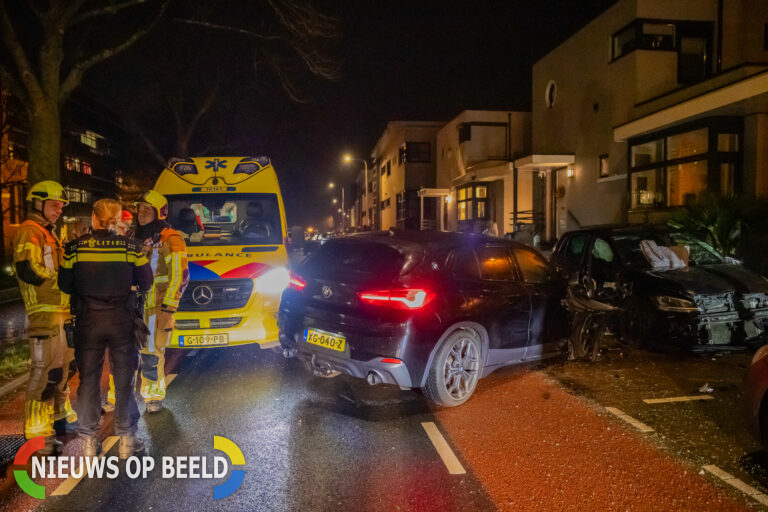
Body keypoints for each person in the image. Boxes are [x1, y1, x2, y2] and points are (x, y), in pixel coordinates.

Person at [58, 199, 153, 458]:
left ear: (93, 218)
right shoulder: (130, 248)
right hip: (122, 320)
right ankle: (127, 441)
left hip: (88, 322)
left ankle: (89, 442)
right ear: (117, 220)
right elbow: (146, 282)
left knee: (88, 381)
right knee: (124, 380)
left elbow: (65, 285)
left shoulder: (74, 249)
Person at [12, 181, 76, 454]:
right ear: (37, 203)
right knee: (46, 371)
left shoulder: (48, 233)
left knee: (65, 367)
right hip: (43, 313)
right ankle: (39, 434)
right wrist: (64, 280)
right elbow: (28, 270)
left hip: (59, 312)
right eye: (54, 205)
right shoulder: (30, 231)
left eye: (61, 206)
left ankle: (60, 418)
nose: (59, 210)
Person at [134, 190, 189, 413]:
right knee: (125, 352)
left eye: (147, 209)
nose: (141, 213)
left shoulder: (170, 238)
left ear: (159, 212)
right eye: (139, 209)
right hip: (132, 305)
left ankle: (153, 396)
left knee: (151, 353)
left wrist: (169, 305)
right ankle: (117, 397)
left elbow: (180, 274)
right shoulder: (133, 237)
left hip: (156, 307)